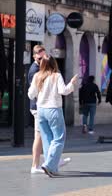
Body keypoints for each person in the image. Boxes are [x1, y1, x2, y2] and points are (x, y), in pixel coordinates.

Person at [27, 55, 78, 177]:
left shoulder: (37, 76)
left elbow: (30, 94)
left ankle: (52, 167)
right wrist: (72, 83)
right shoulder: (56, 76)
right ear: (54, 63)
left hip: (40, 110)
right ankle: (49, 165)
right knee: (59, 137)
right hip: (54, 109)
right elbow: (63, 91)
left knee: (47, 138)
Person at [28, 45, 46, 174]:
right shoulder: (34, 70)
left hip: (40, 106)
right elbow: (36, 90)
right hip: (37, 107)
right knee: (39, 136)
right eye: (40, 58)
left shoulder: (40, 68)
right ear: (34, 56)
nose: (42, 60)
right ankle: (35, 165)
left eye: (44, 57)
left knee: (42, 135)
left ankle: (47, 161)